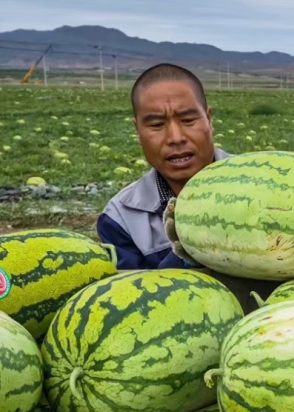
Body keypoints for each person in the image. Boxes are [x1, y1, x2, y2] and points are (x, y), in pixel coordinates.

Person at [97, 63, 229, 269]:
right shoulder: (121, 218)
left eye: (188, 120)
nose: (176, 138)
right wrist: (188, 247)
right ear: (138, 131)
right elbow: (138, 296)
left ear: (209, 120)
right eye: (157, 125)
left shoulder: (263, 184)